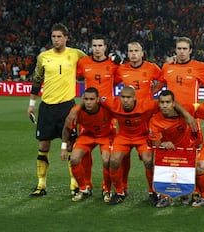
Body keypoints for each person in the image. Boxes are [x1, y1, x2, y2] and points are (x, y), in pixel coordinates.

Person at [69, 86, 196, 205]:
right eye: (123, 97)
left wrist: (188, 116)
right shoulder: (113, 103)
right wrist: (77, 109)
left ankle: (153, 192)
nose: (125, 100)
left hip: (142, 137)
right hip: (123, 137)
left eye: (128, 97)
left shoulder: (146, 105)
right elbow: (90, 98)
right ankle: (119, 192)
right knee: (113, 160)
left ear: (134, 98)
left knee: (148, 160)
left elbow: (170, 103)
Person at [27, 23, 86, 196]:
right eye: (54, 36)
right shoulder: (43, 57)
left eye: (59, 36)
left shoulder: (76, 54)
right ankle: (41, 185)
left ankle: (75, 185)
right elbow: (37, 80)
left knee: (70, 145)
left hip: (67, 106)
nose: (56, 39)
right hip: (47, 106)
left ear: (66, 38)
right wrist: (31, 104)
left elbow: (92, 64)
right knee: (43, 144)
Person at [161, 36, 204, 203]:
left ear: (190, 51)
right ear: (175, 50)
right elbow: (159, 85)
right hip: (171, 121)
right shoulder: (167, 67)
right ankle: (174, 191)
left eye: (185, 49)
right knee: (171, 157)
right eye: (179, 48)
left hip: (191, 119)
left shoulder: (199, 67)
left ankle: (195, 191)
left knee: (193, 159)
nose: (181, 52)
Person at [115, 41, 164, 197]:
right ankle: (123, 187)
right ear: (128, 54)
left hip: (147, 120)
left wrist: (154, 91)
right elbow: (111, 81)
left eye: (136, 51)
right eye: (131, 51)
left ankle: (152, 191)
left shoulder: (152, 68)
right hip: (127, 120)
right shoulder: (122, 69)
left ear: (142, 53)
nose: (134, 54)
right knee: (123, 155)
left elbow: (164, 78)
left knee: (148, 159)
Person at [76, 34, 121, 202]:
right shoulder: (83, 63)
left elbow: (123, 76)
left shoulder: (113, 64)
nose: (97, 48)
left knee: (107, 157)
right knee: (85, 154)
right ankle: (86, 186)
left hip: (107, 115)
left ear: (105, 47)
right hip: (88, 114)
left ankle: (106, 188)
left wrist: (121, 61)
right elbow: (74, 75)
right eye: (94, 45)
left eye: (100, 45)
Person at [60, 87, 115, 202]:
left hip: (106, 136)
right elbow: (67, 127)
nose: (89, 102)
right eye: (86, 99)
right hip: (87, 135)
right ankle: (84, 189)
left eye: (92, 99)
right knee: (74, 159)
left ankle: (107, 189)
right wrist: (64, 147)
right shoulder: (76, 111)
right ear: (82, 99)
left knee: (107, 160)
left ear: (98, 100)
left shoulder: (106, 108)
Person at [148, 90, 201, 207]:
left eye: (168, 102)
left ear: (173, 103)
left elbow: (203, 109)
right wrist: (162, 144)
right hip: (170, 150)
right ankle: (164, 195)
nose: (165, 105)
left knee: (199, 166)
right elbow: (156, 142)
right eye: (162, 102)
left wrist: (188, 115)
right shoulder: (155, 120)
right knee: (153, 161)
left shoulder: (186, 109)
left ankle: (195, 193)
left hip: (187, 148)